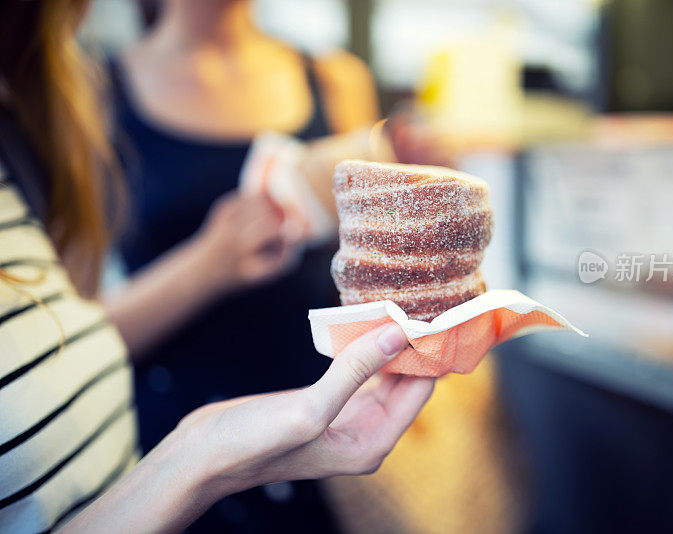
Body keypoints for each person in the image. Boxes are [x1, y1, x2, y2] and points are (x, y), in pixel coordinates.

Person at [0, 1, 435, 532]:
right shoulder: (85, 94)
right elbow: (67, 337)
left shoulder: (336, 78)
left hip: (326, 424)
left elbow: (373, 267)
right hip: (167, 451)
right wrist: (209, 264)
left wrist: (421, 197)